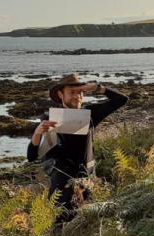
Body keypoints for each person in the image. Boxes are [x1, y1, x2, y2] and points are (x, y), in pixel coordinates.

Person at [27, 74, 128, 221]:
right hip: (61, 185)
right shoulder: (49, 118)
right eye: (72, 92)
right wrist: (37, 133)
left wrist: (96, 87)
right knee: (60, 227)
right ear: (61, 94)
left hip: (87, 180)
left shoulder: (91, 114)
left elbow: (122, 100)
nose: (77, 96)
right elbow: (31, 156)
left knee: (87, 227)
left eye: (80, 92)